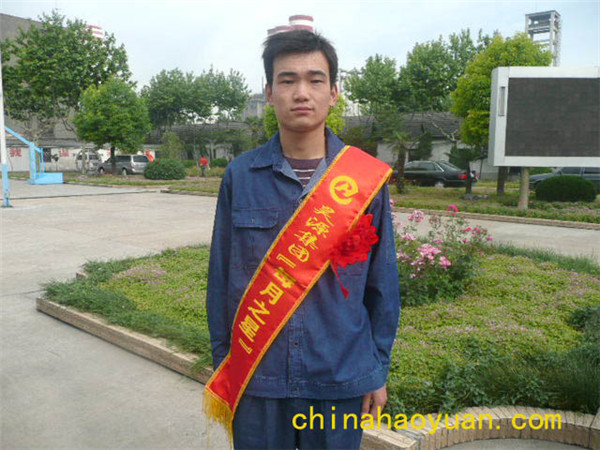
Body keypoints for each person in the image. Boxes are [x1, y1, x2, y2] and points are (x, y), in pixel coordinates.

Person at [206, 29, 400, 449]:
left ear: (333, 93)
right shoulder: (240, 176)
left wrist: (376, 370)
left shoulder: (364, 180)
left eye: (315, 80)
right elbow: (220, 279)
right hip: (258, 378)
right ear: (269, 93)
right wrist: (226, 363)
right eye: (287, 80)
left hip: (340, 378)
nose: (301, 93)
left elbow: (382, 285)